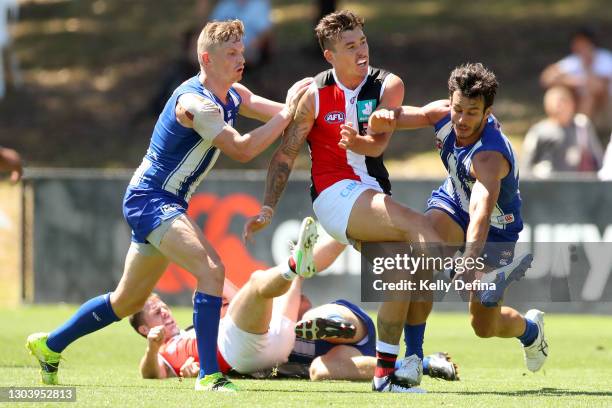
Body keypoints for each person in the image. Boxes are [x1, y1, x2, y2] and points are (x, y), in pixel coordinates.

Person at [26, 19, 311, 392]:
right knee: (212, 269)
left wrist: (308, 105)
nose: (241, 58)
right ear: (207, 59)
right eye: (231, 53)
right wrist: (292, 111)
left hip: (165, 201)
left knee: (127, 300)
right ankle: (209, 376)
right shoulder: (195, 103)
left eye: (241, 51)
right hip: (151, 199)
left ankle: (50, 345)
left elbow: (273, 110)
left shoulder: (233, 93)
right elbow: (243, 148)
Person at [243, 10, 451, 393]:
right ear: (329, 56)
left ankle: (391, 374)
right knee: (422, 227)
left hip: (369, 194)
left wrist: (359, 142)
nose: (361, 52)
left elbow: (380, 141)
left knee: (402, 276)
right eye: (350, 46)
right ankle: (471, 276)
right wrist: (268, 206)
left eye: (363, 42)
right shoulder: (314, 94)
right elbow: (286, 155)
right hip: (334, 195)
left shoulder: (388, 84)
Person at [367, 63, 549, 374]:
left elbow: (480, 209)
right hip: (453, 200)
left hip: (495, 228)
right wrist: (385, 115)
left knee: (483, 324)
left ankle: (530, 331)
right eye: (458, 109)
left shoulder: (489, 157)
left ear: (488, 111)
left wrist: (470, 256)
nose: (462, 120)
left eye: (472, 112)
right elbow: (412, 116)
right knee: (423, 255)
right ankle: (413, 358)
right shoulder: (443, 114)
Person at [132, 222, 458, 382]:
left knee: (310, 313)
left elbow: (222, 286)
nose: (162, 309)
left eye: (160, 302)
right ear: (145, 328)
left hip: (286, 332)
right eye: (154, 309)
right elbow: (151, 373)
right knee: (320, 371)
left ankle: (348, 236)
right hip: (292, 349)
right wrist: (158, 351)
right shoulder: (166, 353)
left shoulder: (202, 326)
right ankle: (416, 364)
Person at [540, 27, 612, 133]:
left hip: (605, 110)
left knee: (590, 95)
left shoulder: (605, 59)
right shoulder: (573, 61)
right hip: (578, 105)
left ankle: (579, 133)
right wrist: (571, 83)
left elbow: (599, 86)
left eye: (581, 43)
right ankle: (563, 130)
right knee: (556, 93)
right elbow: (546, 78)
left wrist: (587, 69)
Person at [522, 86, 603, 177]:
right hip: (546, 185)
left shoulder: (582, 126)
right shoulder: (538, 131)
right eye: (557, 103)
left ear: (572, 104)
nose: (561, 106)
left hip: (576, 184)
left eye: (564, 101)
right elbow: (526, 165)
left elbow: (598, 160)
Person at [209, 0, 273, 69]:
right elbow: (211, 28)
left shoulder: (259, 5)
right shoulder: (225, 4)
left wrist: (251, 46)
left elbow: (265, 33)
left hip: (249, 49)